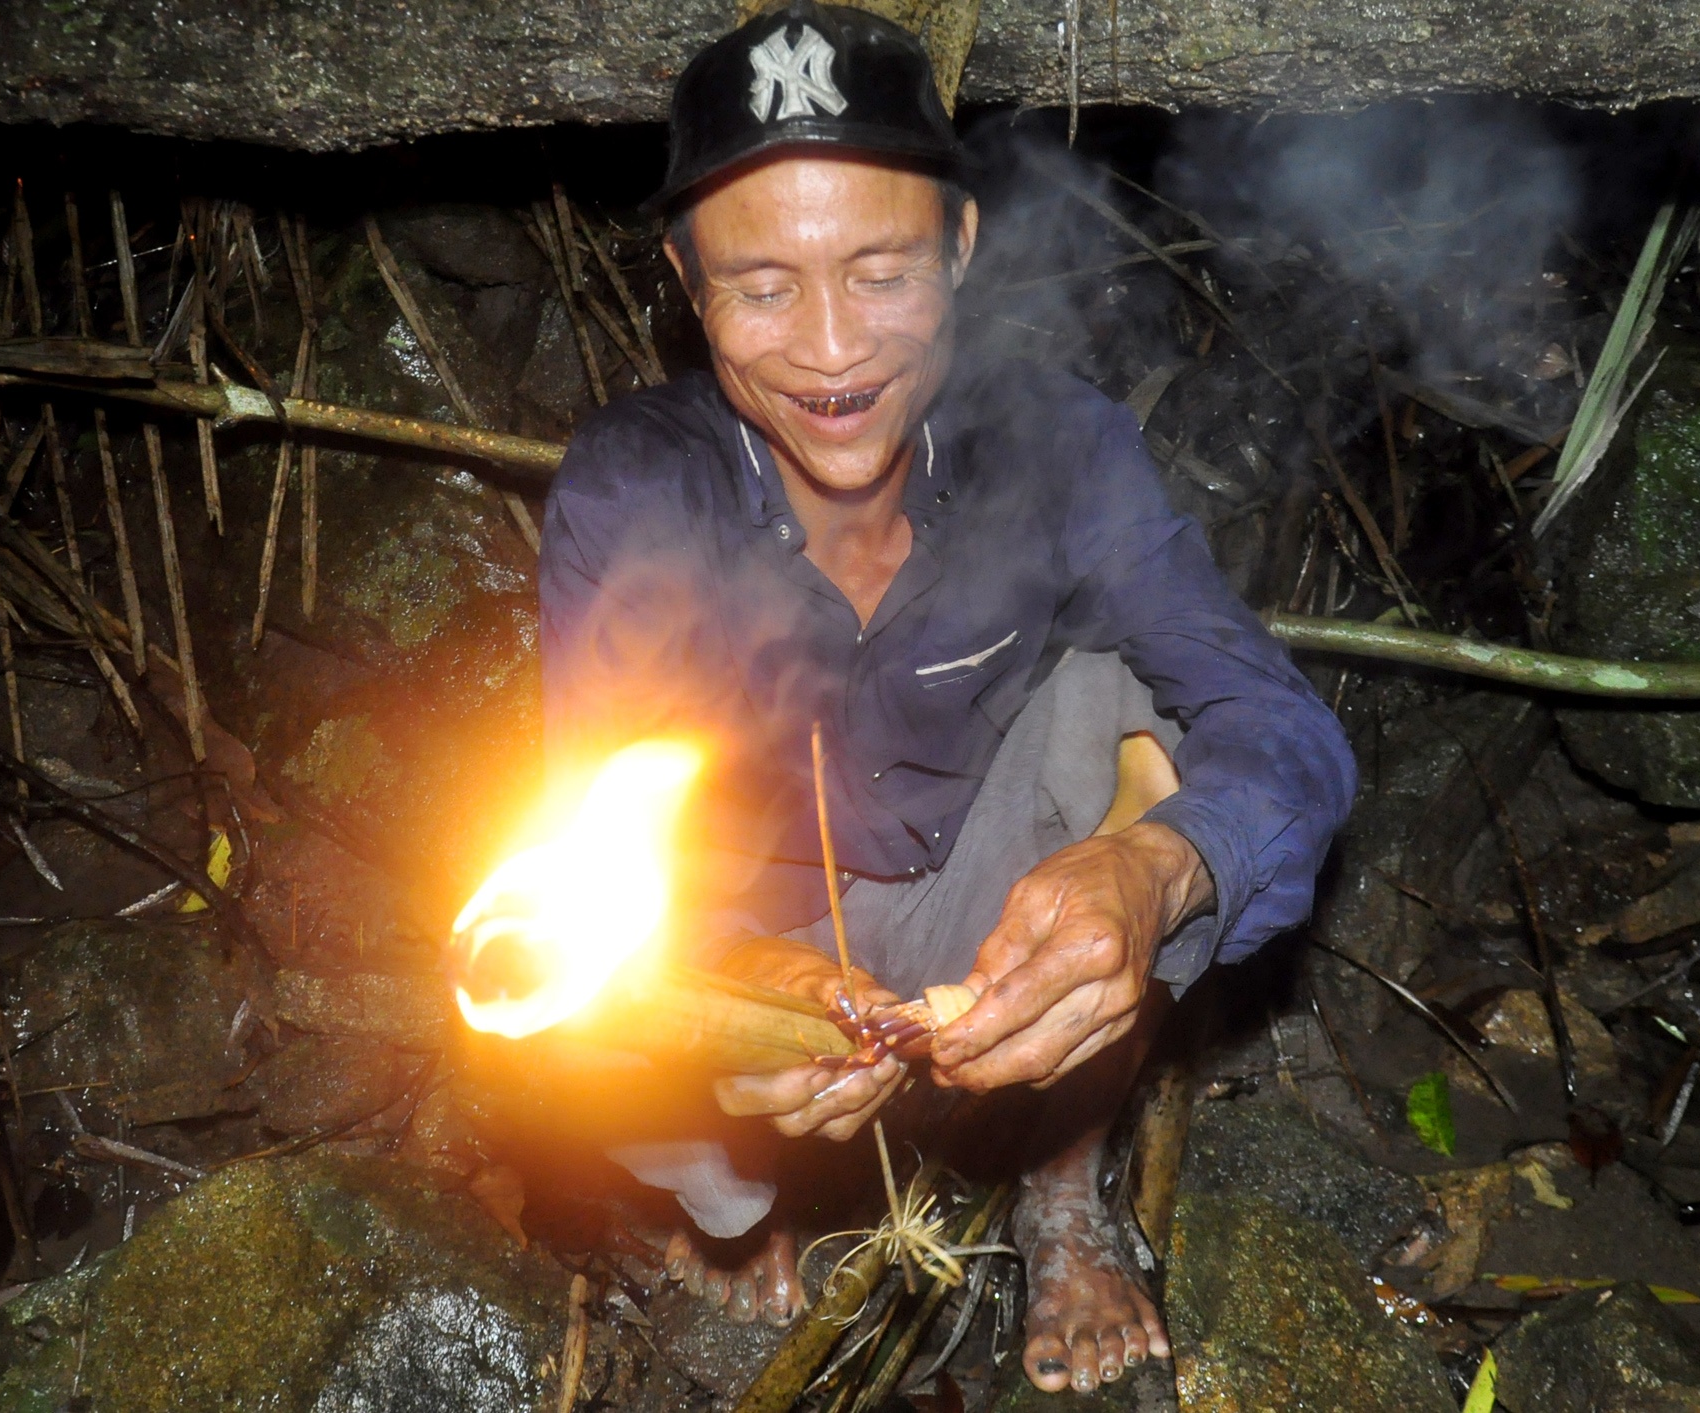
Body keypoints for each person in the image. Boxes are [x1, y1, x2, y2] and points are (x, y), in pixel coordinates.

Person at [537, 1, 1356, 1393]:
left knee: (1127, 705)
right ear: (688, 286)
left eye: (880, 269)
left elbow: (1284, 731)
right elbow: (594, 863)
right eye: (762, 286)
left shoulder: (1056, 443)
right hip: (759, 953)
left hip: (992, 918)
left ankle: (1055, 1185)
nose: (832, 349)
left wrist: (1150, 874)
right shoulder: (634, 489)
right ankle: (746, 1206)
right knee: (576, 999)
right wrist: (740, 986)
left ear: (960, 249)